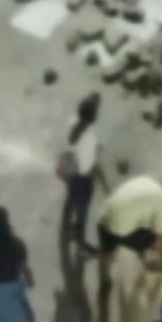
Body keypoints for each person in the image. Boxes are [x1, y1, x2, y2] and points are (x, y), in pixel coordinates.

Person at [95, 175, 162, 322]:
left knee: (107, 249)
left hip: (104, 217)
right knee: (158, 242)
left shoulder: (148, 180)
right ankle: (154, 266)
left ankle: (105, 280)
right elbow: (156, 235)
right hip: (120, 228)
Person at [59, 93, 109, 251]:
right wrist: (102, 180)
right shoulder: (88, 138)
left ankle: (68, 216)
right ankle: (78, 235)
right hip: (82, 178)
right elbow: (91, 164)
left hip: (69, 169)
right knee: (83, 207)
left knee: (72, 195)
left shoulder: (72, 122)